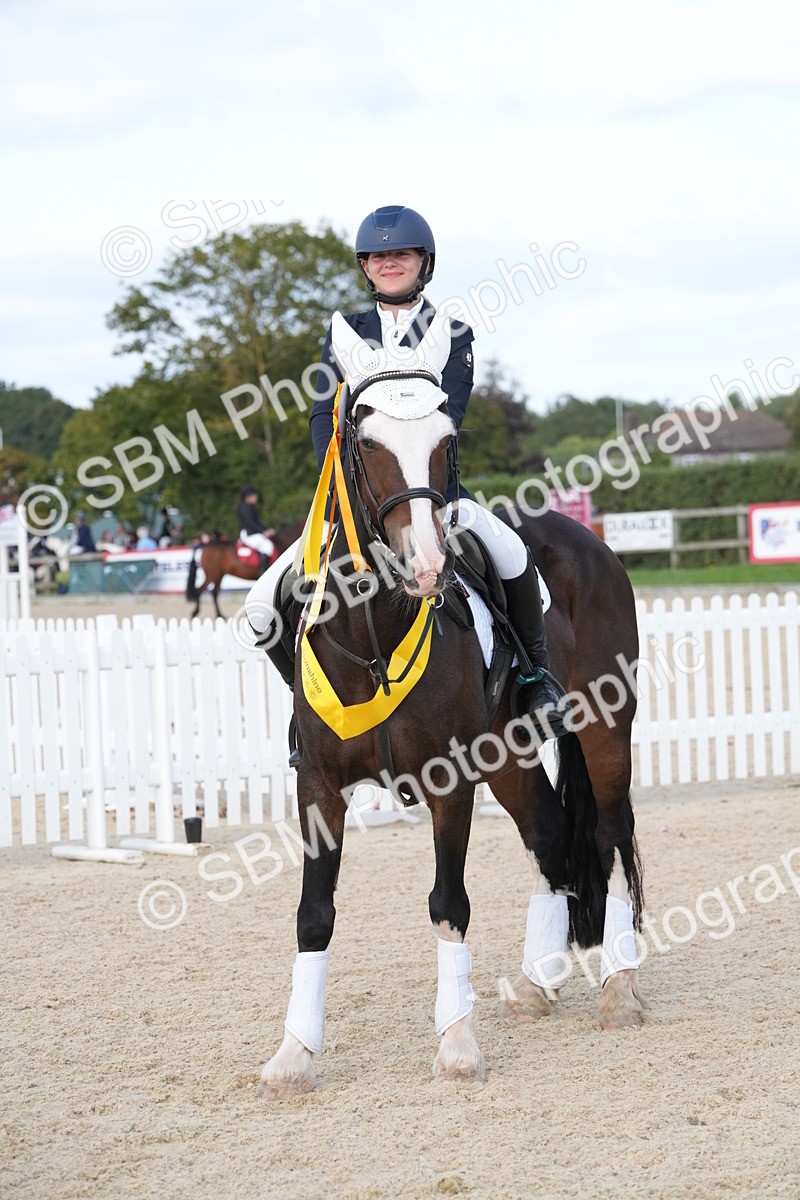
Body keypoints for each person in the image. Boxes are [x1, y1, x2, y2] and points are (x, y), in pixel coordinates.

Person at [247, 204, 565, 736]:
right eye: (378, 255)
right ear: (365, 267)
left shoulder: (452, 331)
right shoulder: (345, 331)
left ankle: (536, 678)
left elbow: (450, 417)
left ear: (425, 262)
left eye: (402, 253)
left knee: (510, 552)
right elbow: (323, 413)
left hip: (435, 493)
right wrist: (343, 485)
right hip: (354, 501)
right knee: (262, 606)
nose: (389, 262)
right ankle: (307, 710)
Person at [237, 485, 275, 566]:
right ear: (247, 497)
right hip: (249, 534)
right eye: (253, 496)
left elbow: (258, 522)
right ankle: (263, 571)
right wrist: (263, 531)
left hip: (252, 532)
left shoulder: (251, 507)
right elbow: (251, 523)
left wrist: (267, 528)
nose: (256, 497)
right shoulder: (245, 509)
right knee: (267, 547)